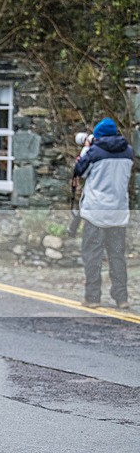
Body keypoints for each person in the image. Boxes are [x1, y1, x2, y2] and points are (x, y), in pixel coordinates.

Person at [73, 117, 133, 309]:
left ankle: (93, 298)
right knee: (117, 257)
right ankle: (121, 298)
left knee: (93, 256)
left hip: (96, 213)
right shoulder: (128, 152)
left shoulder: (94, 152)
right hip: (119, 213)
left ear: (98, 136)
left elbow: (79, 171)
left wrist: (86, 148)